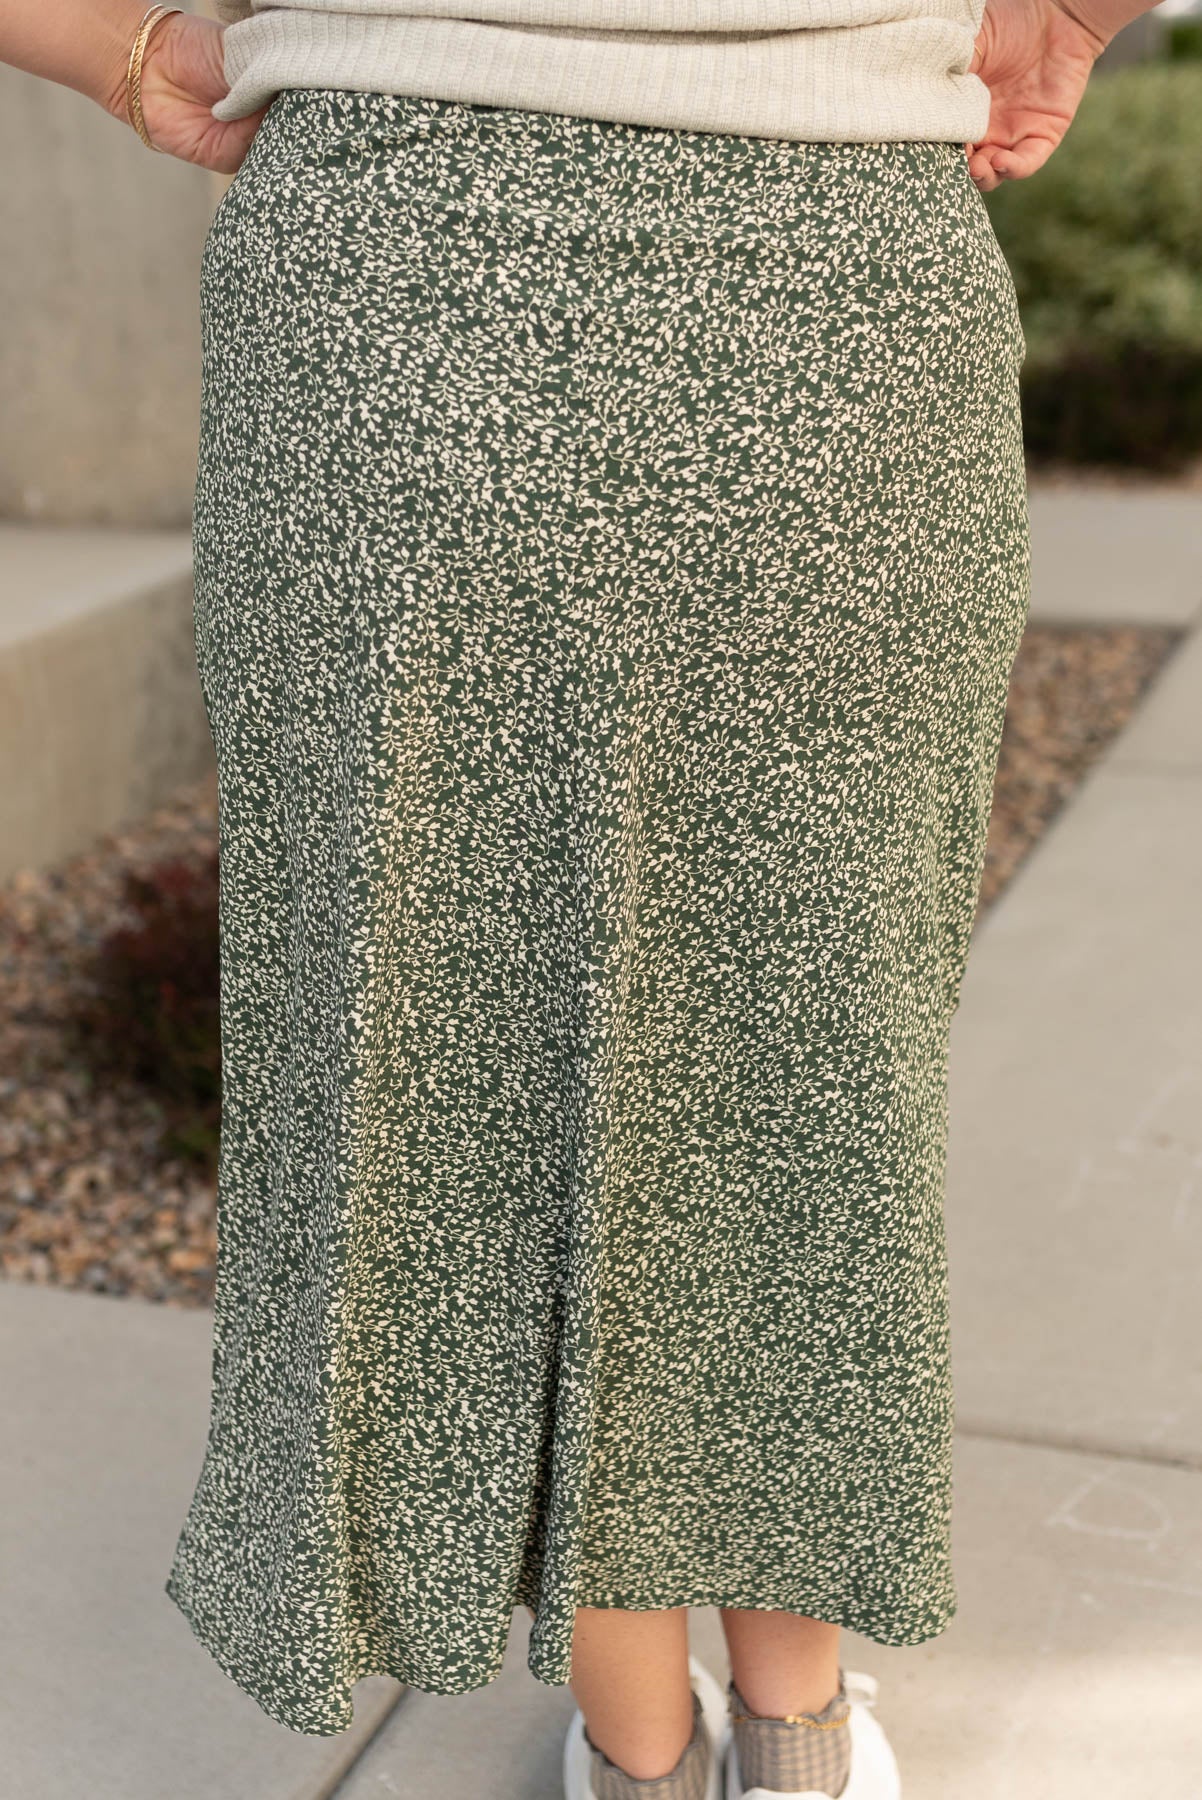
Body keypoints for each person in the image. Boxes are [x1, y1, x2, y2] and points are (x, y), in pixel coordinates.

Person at [1, 2, 1161, 1796]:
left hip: (396, 287)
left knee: (471, 1054)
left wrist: (115, 47)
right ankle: (796, 1738)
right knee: (798, 1045)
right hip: (827, 281)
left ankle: (636, 1748)